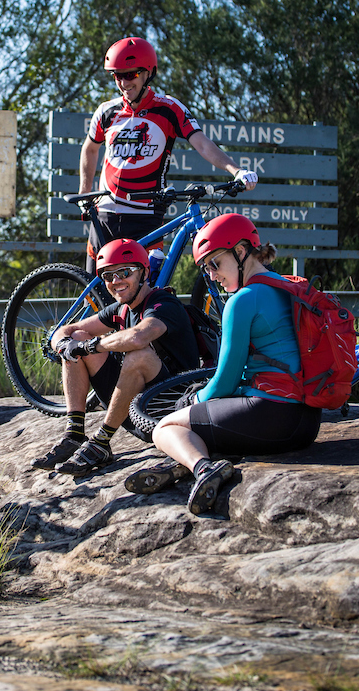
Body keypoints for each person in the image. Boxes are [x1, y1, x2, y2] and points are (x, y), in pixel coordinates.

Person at [124, 214, 322, 514]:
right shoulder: (286, 285)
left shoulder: (243, 301)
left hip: (274, 415)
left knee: (165, 428)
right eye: (206, 269)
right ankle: (185, 464)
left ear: (240, 252)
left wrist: (192, 401)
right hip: (308, 420)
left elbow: (226, 381)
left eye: (214, 264)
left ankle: (201, 469)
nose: (212, 276)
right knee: (208, 422)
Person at [79, 36, 259, 272]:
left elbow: (203, 144)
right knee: (95, 296)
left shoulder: (169, 108)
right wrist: (85, 192)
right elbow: (90, 148)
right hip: (106, 215)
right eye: (117, 75)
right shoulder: (106, 111)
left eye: (130, 74)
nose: (123, 83)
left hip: (146, 216)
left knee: (146, 293)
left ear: (148, 73)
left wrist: (237, 171)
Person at [34, 238, 201, 477]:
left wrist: (88, 347)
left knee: (138, 355)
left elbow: (138, 337)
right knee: (78, 337)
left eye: (124, 272)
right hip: (133, 412)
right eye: (108, 276)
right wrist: (63, 344)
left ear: (143, 272)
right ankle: (74, 434)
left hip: (169, 414)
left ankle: (101, 443)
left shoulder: (163, 303)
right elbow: (67, 330)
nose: (116, 281)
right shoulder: (121, 309)